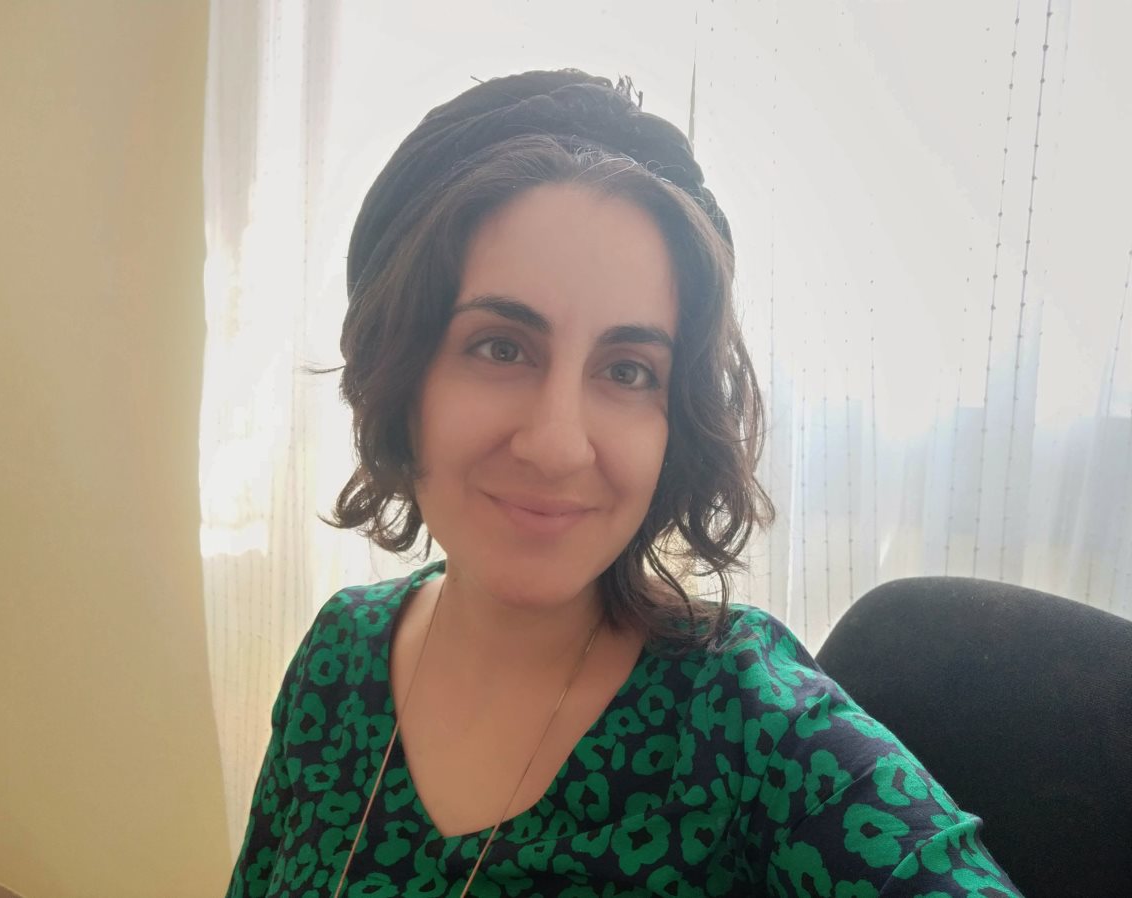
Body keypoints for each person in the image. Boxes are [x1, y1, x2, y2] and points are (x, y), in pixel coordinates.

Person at [226, 69, 1024, 897]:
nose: (557, 446)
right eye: (501, 347)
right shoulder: (338, 654)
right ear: (401, 372)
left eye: (628, 370)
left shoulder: (749, 724)